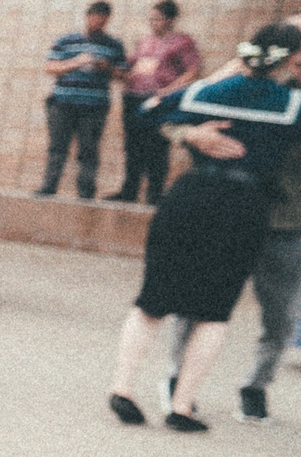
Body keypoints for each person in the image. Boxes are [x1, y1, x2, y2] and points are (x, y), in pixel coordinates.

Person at [107, 24, 301, 431]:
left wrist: (191, 130)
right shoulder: (291, 104)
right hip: (244, 208)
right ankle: (181, 407)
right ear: (286, 61)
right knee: (213, 313)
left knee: (152, 301)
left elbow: (146, 112)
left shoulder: (207, 93)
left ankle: (122, 389)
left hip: (189, 197)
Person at [163, 122, 301, 423]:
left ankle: (256, 386)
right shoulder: (252, 87)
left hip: (284, 224)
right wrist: (187, 134)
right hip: (228, 212)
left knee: (280, 314)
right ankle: (177, 377)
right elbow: (163, 115)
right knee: (196, 300)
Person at [110, 0, 201, 202]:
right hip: (134, 96)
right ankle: (129, 191)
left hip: (159, 99)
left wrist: (170, 90)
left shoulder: (182, 42)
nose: (153, 22)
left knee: (156, 146)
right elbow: (131, 66)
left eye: (158, 19)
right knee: (133, 145)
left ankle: (155, 192)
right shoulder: (145, 41)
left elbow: (192, 71)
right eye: (151, 19)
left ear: (170, 20)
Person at [38, 0, 125, 197]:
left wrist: (107, 67)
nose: (98, 23)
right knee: (57, 148)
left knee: (89, 150)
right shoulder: (66, 41)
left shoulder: (114, 45)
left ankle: (86, 192)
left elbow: (124, 75)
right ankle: (48, 187)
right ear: (87, 17)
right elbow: (50, 67)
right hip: (62, 104)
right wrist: (75, 63)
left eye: (102, 20)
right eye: (95, 19)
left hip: (94, 107)